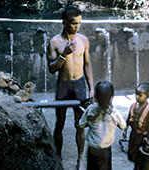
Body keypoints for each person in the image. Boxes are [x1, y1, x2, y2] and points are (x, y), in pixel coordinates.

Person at [48, 6, 94, 169]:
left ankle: (80, 159)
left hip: (79, 84)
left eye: (79, 23)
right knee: (59, 123)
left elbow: (87, 65)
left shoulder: (83, 40)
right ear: (64, 22)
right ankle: (57, 158)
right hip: (64, 84)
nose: (77, 26)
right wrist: (64, 54)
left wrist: (91, 88)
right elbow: (52, 68)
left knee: (80, 124)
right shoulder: (54, 42)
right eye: (73, 23)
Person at [79, 81, 126, 170]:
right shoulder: (114, 113)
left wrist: (91, 120)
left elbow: (81, 124)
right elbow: (123, 126)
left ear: (96, 97)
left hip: (93, 149)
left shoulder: (90, 110)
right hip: (106, 150)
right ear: (112, 97)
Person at [123, 82, 149, 170]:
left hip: (142, 137)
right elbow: (128, 119)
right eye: (136, 94)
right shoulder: (133, 106)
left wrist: (148, 139)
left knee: (140, 157)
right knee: (132, 154)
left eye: (140, 95)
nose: (137, 97)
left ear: (147, 96)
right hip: (133, 135)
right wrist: (125, 130)